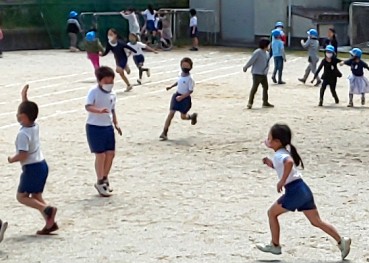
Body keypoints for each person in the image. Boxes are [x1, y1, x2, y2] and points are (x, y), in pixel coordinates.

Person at [257, 123, 351, 260]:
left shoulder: (280, 155)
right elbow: (284, 166)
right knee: (316, 221)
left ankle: (275, 245)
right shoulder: (281, 153)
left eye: (269, 138)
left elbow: (288, 163)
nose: (267, 140)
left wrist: (282, 181)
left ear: (277, 142)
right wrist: (270, 164)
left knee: (271, 213)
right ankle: (341, 241)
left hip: (294, 191)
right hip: (303, 189)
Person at [8, 85, 58, 235]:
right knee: (36, 196)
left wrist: (11, 159)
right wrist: (24, 98)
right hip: (42, 165)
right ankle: (50, 224)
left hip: (31, 168)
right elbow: (29, 111)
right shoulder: (34, 125)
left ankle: (47, 209)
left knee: (21, 197)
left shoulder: (23, 134)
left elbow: (22, 155)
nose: (17, 116)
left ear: (23, 116)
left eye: (19, 113)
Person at [85, 66, 123, 197]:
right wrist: (98, 110)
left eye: (111, 81)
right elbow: (88, 106)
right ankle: (100, 181)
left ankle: (105, 178)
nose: (109, 84)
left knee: (110, 154)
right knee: (100, 155)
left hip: (108, 126)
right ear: (99, 81)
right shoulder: (93, 91)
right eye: (106, 82)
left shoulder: (113, 93)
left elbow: (112, 109)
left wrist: (116, 123)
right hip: (94, 126)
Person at [159, 57, 198, 141]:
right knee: (171, 114)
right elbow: (178, 81)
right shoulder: (180, 74)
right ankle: (164, 132)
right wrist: (171, 86)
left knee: (183, 116)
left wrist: (182, 97)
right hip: (176, 96)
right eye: (183, 65)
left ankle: (191, 117)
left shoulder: (190, 79)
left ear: (190, 67)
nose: (185, 67)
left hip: (185, 99)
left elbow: (190, 91)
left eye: (187, 66)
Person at [243, 38, 274, 109]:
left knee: (265, 87)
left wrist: (266, 71)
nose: (269, 46)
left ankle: (265, 102)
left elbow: (267, 63)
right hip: (257, 73)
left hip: (263, 74)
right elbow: (251, 60)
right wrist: (246, 67)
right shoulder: (258, 52)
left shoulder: (267, 53)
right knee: (254, 88)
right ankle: (250, 103)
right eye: (268, 45)